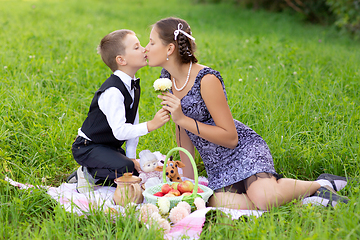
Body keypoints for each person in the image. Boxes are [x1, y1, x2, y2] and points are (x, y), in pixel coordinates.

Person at [145, 17, 350, 210]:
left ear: (170, 48)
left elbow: (231, 138)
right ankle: (304, 201)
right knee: (210, 200)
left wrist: (182, 119)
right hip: (217, 163)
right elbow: (182, 131)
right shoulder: (168, 78)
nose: (146, 48)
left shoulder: (206, 79)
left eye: (151, 42)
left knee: (264, 198)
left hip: (242, 150)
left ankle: (320, 184)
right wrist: (186, 184)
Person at [68, 29, 170, 194]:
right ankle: (87, 173)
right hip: (87, 147)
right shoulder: (113, 91)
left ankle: (101, 170)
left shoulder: (133, 85)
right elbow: (120, 130)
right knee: (125, 168)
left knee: (133, 170)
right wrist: (151, 125)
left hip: (108, 147)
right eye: (136, 47)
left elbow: (132, 123)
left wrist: (131, 156)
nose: (144, 49)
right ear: (121, 60)